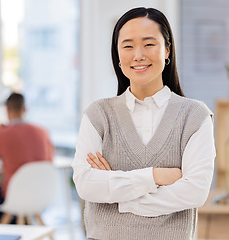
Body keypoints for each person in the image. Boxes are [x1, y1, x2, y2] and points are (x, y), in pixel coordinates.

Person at [72, 7, 215, 240]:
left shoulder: (195, 116)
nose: (138, 55)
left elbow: (195, 191)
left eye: (149, 44)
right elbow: (86, 185)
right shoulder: (98, 115)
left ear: (167, 50)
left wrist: (117, 194)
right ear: (117, 55)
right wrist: (155, 177)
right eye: (127, 46)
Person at [0, 92, 54, 222]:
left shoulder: (0, 135)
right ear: (25, 110)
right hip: (41, 194)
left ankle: (12, 223)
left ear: (7, 109)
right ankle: (22, 224)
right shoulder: (43, 132)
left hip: (15, 197)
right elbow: (49, 161)